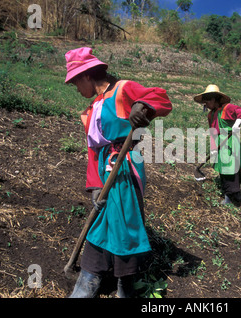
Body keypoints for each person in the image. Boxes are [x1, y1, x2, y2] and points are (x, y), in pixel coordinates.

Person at [64, 47, 172, 298]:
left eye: (76, 82)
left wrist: (143, 106)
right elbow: (93, 152)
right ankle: (91, 279)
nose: (76, 89)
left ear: (87, 76)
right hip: (103, 170)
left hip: (126, 165)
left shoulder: (123, 89)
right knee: (103, 219)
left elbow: (162, 99)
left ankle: (122, 284)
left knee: (123, 221)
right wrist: (94, 185)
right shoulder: (91, 110)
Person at [194, 84, 241, 207]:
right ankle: (234, 194)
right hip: (220, 142)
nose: (206, 105)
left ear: (214, 99)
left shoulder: (227, 109)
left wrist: (237, 123)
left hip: (230, 141)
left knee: (230, 169)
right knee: (225, 170)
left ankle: (230, 196)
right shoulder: (211, 114)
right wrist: (214, 148)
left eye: (207, 101)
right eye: (204, 102)